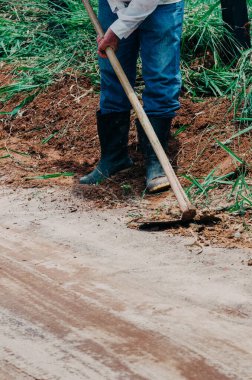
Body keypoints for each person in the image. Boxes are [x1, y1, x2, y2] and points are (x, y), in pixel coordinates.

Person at [80, 0, 184, 193]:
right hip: (114, 4)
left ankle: (156, 162)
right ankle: (113, 157)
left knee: (161, 77)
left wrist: (118, 29)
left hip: (162, 5)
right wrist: (119, 13)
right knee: (112, 74)